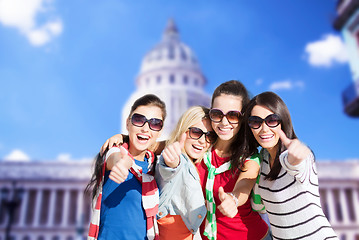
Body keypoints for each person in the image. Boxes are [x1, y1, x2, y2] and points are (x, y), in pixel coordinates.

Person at [243, 91, 338, 239]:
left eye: (272, 120)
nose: (264, 128)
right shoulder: (262, 162)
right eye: (256, 122)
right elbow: (259, 206)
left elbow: (296, 163)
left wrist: (295, 158)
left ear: (283, 121)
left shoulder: (297, 156)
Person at [196, 80, 270, 240]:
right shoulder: (200, 146)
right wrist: (127, 138)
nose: (224, 122)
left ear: (243, 118)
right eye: (217, 114)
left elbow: (244, 184)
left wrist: (233, 199)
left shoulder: (250, 158)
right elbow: (161, 144)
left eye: (233, 115)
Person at [86, 94, 166, 240]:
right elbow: (116, 159)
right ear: (128, 123)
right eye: (139, 120)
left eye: (155, 123)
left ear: (159, 131)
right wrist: (124, 163)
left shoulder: (155, 168)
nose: (146, 128)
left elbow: (179, 143)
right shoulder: (114, 151)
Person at [155, 106, 216, 240]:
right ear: (183, 130)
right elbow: (170, 171)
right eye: (195, 132)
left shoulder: (201, 165)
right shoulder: (179, 159)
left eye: (209, 136)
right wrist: (172, 162)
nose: (202, 140)